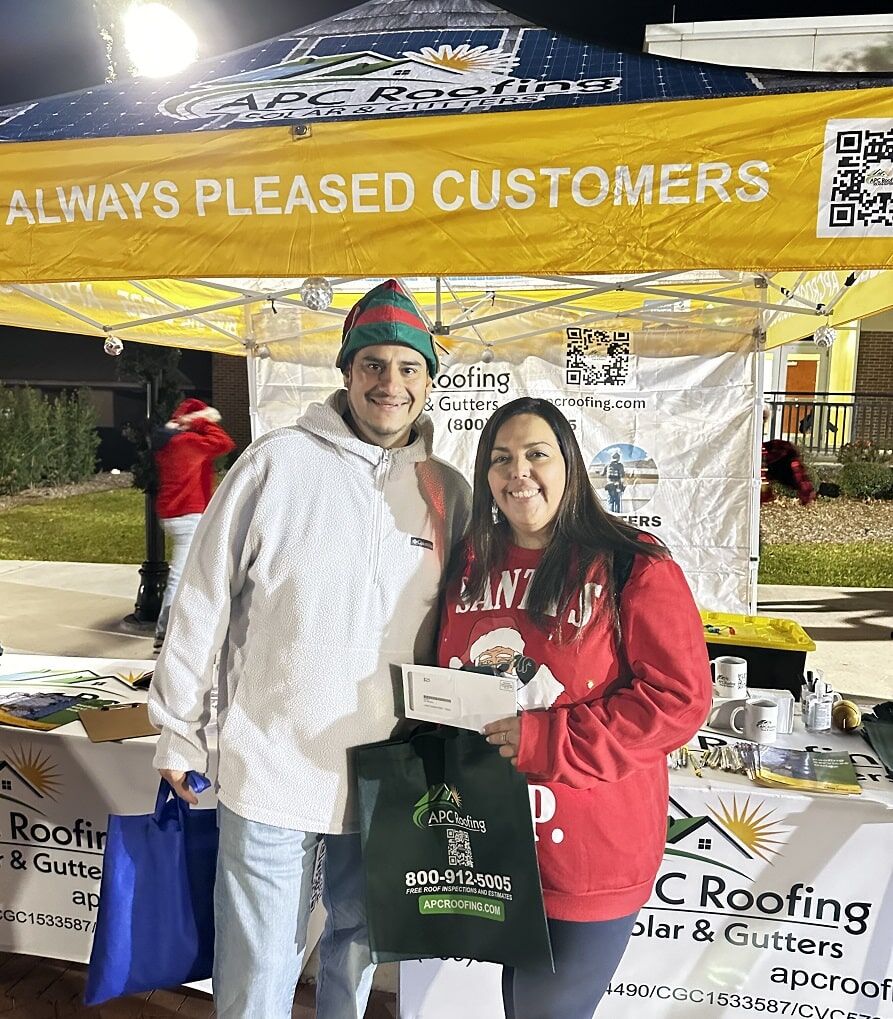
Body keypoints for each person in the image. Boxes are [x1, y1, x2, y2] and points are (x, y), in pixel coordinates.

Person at [147, 279, 470, 1019]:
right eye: (374, 366)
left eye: (408, 367)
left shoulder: (446, 488)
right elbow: (202, 599)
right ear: (347, 373)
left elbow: (465, 624)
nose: (391, 383)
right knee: (258, 967)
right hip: (271, 761)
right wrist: (178, 727)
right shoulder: (275, 465)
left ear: (427, 379)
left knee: (356, 948)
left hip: (387, 768)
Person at [438, 397, 711, 1019]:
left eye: (538, 455)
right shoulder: (471, 564)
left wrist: (548, 740)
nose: (519, 473)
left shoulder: (630, 562)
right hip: (492, 840)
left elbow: (679, 699)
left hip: (589, 848)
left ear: (570, 465)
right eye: (501, 459)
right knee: (518, 1004)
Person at [151, 398, 235, 651]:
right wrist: (200, 421)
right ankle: (165, 631)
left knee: (192, 570)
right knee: (180, 574)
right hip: (188, 514)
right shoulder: (188, 442)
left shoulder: (168, 444)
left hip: (172, 513)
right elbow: (224, 442)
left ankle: (181, 626)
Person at [604, 448, 626, 513]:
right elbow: (622, 476)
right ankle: (617, 516)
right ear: (618, 458)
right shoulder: (620, 465)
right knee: (617, 502)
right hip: (617, 486)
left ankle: (611, 516)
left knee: (610, 501)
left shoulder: (607, 465)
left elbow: (602, 473)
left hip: (609, 486)